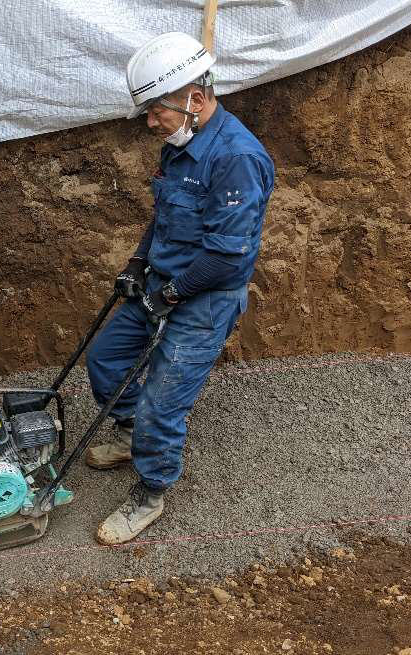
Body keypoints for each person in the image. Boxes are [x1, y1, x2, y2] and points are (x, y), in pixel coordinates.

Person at [85, 32, 275, 545]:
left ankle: (149, 493)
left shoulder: (235, 158)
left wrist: (169, 297)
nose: (150, 122)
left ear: (195, 98)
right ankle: (128, 435)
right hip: (159, 282)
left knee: (161, 407)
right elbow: (165, 215)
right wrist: (137, 263)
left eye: (156, 110)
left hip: (204, 300)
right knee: (104, 359)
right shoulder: (180, 144)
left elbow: (225, 255)